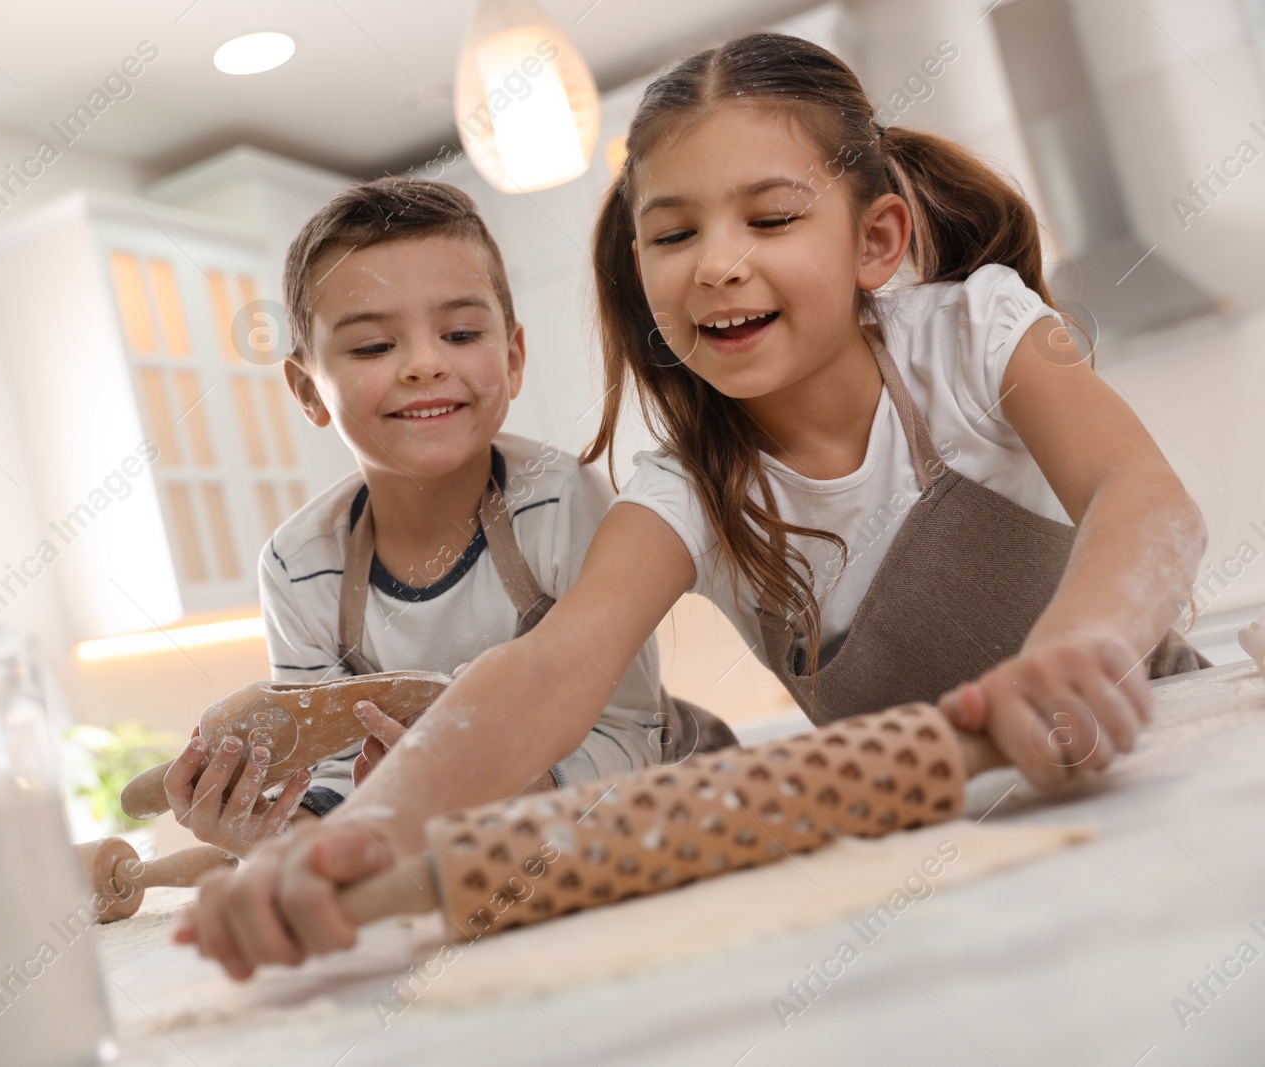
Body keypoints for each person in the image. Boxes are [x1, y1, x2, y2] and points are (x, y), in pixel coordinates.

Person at [178, 33, 1210, 977]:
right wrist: (362, 827)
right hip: (948, 843)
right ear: (640, 267)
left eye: (770, 217)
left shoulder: (972, 338)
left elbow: (1143, 497)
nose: (719, 262)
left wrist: (1083, 646)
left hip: (1157, 756)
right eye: (673, 233)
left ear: (876, 239)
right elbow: (545, 669)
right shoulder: (686, 484)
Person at [162, 177, 729, 859]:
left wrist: (479, 783)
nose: (425, 364)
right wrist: (284, 828)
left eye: (460, 333)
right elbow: (332, 770)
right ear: (309, 389)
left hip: (672, 810)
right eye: (373, 346)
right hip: (485, 862)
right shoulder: (298, 565)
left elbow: (625, 731)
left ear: (513, 359)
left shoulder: (558, 502)